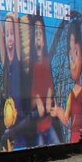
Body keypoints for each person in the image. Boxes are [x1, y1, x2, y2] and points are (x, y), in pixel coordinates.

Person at [51, 19, 82, 144]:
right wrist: (58, 111)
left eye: (76, 53)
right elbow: (66, 119)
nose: (73, 63)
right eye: (71, 58)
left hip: (79, 134)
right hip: (74, 136)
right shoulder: (71, 94)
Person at [28, 14, 58, 146]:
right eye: (36, 34)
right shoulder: (33, 65)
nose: (38, 37)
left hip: (47, 121)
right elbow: (33, 89)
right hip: (40, 123)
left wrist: (48, 99)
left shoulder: (46, 63)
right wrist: (39, 102)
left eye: (41, 33)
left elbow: (50, 85)